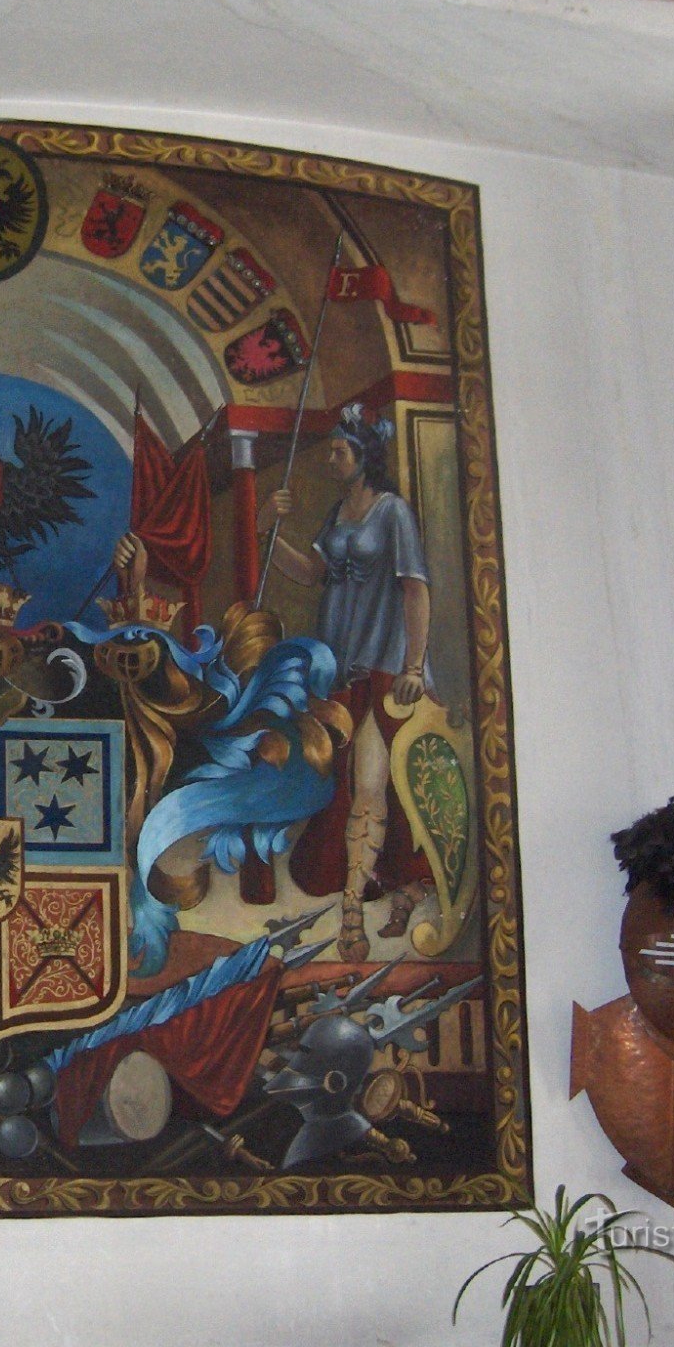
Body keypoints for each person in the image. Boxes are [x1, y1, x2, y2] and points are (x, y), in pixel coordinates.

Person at [262, 403, 434, 962]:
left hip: (382, 662)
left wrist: (413, 666)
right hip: (339, 663)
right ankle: (386, 885)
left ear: (365, 456)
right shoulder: (338, 512)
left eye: (340, 451)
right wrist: (270, 532)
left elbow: (414, 588)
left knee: (369, 781)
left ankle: (352, 912)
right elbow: (310, 574)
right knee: (347, 782)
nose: (331, 458)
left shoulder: (393, 512)